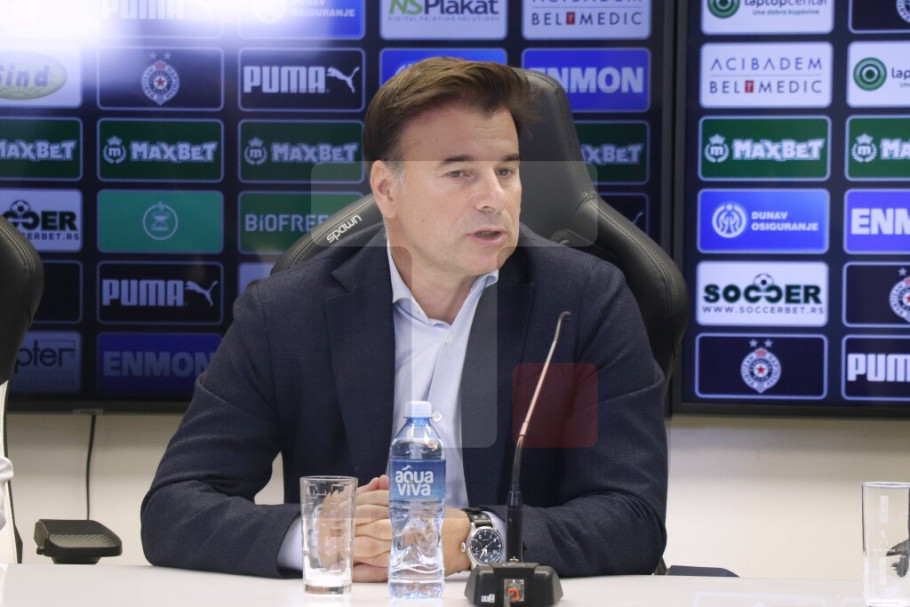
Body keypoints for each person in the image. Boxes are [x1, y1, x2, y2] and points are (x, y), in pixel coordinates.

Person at [140, 57, 668, 579]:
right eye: (459, 173)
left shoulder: (584, 302)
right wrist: (325, 536)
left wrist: (476, 538)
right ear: (387, 189)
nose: (495, 198)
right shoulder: (285, 313)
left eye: (506, 170)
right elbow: (174, 506)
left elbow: (633, 517)